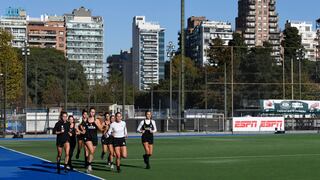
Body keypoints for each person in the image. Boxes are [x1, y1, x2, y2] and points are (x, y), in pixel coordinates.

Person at [83, 107, 106, 173]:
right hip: (87, 138)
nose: (92, 113)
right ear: (89, 112)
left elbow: (101, 129)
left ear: (94, 113)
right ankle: (89, 166)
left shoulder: (96, 120)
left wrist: (105, 128)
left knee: (92, 153)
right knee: (91, 150)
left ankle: (88, 164)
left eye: (93, 112)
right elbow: (83, 127)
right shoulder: (86, 119)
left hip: (94, 138)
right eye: (91, 112)